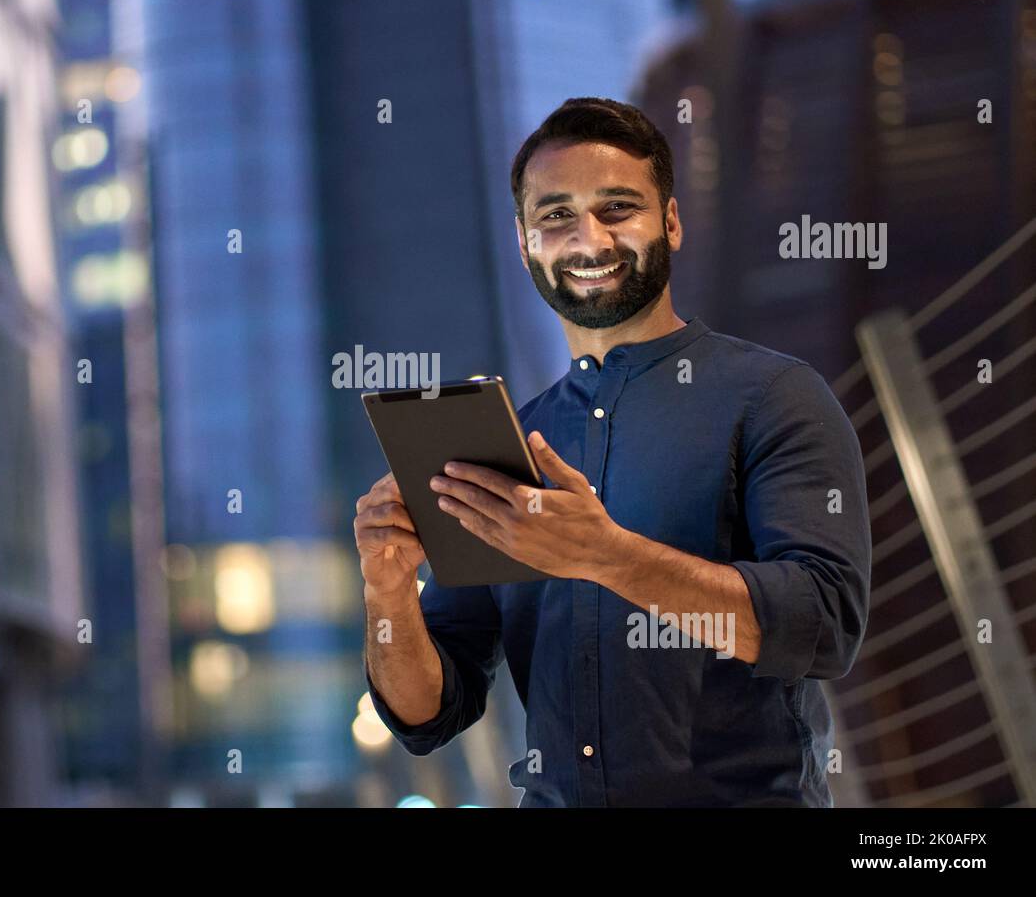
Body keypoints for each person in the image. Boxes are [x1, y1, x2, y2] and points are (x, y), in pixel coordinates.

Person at [354, 97, 871, 807]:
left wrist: (607, 556)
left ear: (671, 221)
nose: (588, 240)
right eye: (556, 216)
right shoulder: (506, 446)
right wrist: (387, 593)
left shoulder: (773, 396)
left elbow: (822, 624)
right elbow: (427, 714)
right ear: (525, 241)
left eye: (617, 208)